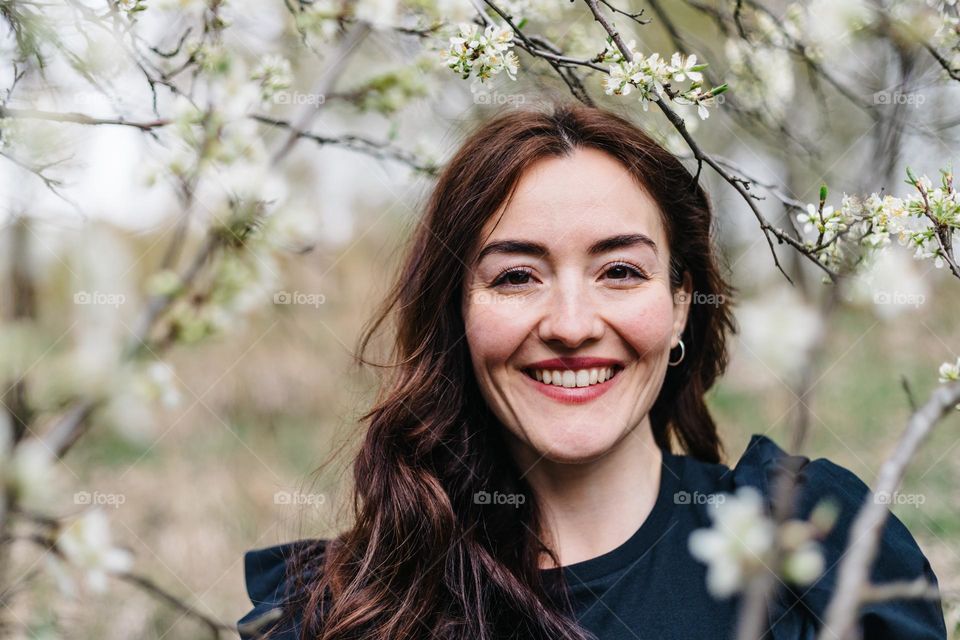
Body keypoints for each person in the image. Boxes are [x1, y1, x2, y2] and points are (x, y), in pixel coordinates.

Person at [237, 104, 946, 640]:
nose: (572, 325)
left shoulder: (816, 544)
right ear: (458, 317)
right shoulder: (345, 609)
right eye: (516, 277)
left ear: (680, 308)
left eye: (620, 271)